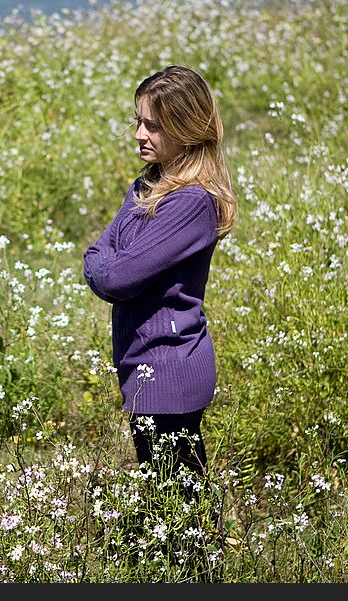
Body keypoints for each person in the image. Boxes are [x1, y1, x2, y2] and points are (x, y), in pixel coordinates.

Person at [83, 65, 237, 502]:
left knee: (183, 511)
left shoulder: (190, 202)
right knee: (170, 502)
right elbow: (99, 256)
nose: (139, 134)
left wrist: (102, 265)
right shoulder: (147, 186)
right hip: (144, 366)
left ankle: (202, 572)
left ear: (185, 129)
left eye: (153, 125)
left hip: (169, 372)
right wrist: (101, 262)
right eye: (138, 121)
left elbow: (113, 274)